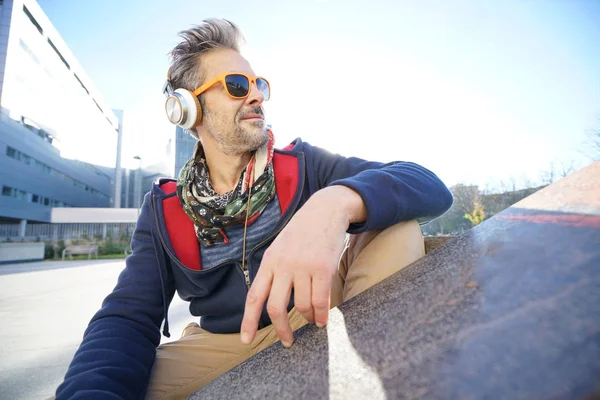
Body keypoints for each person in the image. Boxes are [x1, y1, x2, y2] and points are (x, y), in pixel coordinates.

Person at [55, 18, 453, 400]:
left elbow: (427, 185)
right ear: (187, 109)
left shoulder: (305, 164)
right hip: (219, 346)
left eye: (258, 83)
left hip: (314, 309)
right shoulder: (164, 210)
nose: (257, 94)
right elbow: (127, 316)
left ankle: (375, 384)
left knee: (397, 225)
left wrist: (332, 204)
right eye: (236, 85)